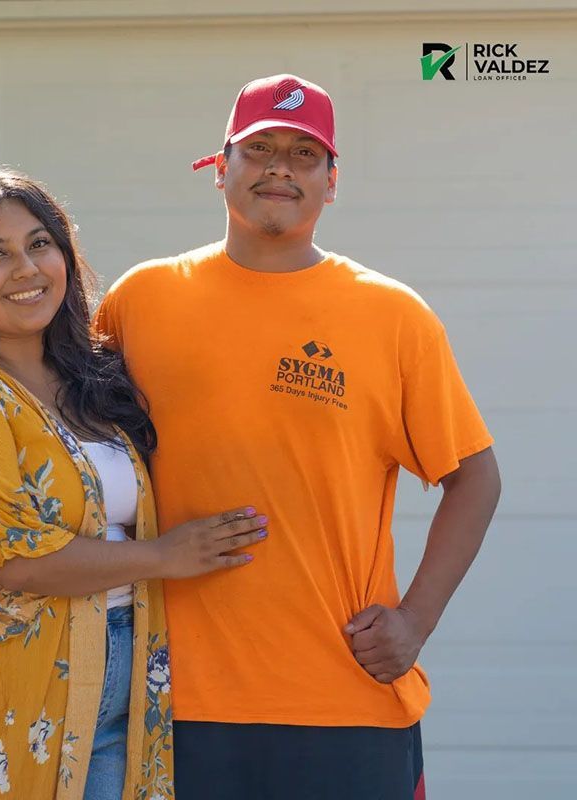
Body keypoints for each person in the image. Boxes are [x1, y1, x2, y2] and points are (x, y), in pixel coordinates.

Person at [94, 75, 502, 799]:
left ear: (331, 183)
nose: (280, 167)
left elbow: (475, 476)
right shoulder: (139, 301)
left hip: (344, 697)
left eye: (305, 154)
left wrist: (415, 621)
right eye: (260, 149)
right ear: (221, 168)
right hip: (174, 700)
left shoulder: (392, 316)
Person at [0, 170, 268, 799]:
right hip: (11, 709)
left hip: (122, 678)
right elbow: (7, 555)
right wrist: (164, 556)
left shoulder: (89, 385)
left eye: (40, 244)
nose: (26, 268)